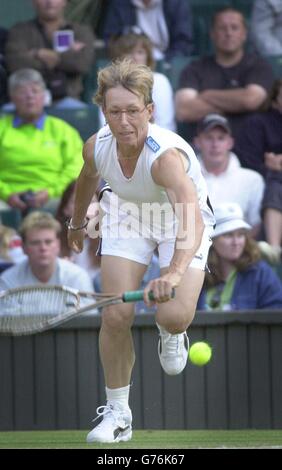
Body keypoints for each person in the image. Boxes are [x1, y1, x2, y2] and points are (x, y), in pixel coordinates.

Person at [67, 58, 215, 444]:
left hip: (181, 222)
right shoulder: (96, 146)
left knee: (174, 314)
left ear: (149, 110)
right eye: (115, 112)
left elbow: (192, 221)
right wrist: (77, 222)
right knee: (115, 315)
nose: (124, 121)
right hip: (127, 216)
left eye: (133, 111)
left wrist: (173, 274)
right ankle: (119, 415)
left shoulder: (164, 158)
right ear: (104, 112)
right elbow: (86, 180)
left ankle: (171, 331)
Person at [175, 7, 274, 141]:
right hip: (205, 150)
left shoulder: (259, 66)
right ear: (212, 34)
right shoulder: (195, 68)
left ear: (244, 33)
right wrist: (236, 103)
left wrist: (207, 95)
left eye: (234, 28)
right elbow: (184, 110)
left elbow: (250, 100)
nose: (228, 33)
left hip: (251, 146)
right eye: (222, 28)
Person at [0, 68, 83, 217]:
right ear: (12, 98)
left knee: (76, 205)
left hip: (54, 197)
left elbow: (77, 166)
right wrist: (6, 193)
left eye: (35, 91)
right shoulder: (2, 128)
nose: (30, 97)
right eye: (22, 92)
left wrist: (52, 191)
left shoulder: (62, 130)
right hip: (5, 197)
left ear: (44, 96)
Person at [5, 0, 95, 108]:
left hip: (68, 99)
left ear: (64, 2)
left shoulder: (81, 31)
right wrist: (63, 58)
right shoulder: (19, 31)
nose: (50, 2)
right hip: (27, 101)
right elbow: (15, 64)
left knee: (83, 114)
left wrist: (37, 54)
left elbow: (81, 64)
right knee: (6, 111)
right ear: (33, 2)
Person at [197, 202, 282, 311]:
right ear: (212, 240)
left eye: (240, 234)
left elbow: (275, 315)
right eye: (228, 235)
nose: (236, 242)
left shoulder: (260, 273)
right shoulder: (199, 273)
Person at [194, 113, 265, 238]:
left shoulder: (253, 179)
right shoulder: (185, 178)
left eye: (221, 138)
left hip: (239, 252)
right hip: (196, 251)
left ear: (230, 143)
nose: (215, 144)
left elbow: (256, 225)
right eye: (209, 138)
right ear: (197, 142)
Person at [235, 79, 282, 259]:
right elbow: (249, 162)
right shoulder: (258, 123)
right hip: (269, 185)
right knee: (275, 185)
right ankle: (274, 249)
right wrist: (273, 169)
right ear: (275, 98)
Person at [0, 211, 94, 293]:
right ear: (23, 247)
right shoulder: (8, 280)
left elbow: (89, 313)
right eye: (35, 243)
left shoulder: (77, 277)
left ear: (58, 244)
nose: (43, 248)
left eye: (48, 242)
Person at [106, 28, 176, 131]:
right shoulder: (110, 84)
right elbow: (105, 126)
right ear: (119, 57)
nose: (134, 58)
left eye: (140, 52)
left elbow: (165, 125)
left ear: (148, 57)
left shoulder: (159, 81)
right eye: (129, 53)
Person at [101, 0, 194, 61]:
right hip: (130, 62)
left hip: (167, 61)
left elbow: (183, 40)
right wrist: (127, 57)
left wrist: (167, 60)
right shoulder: (120, 3)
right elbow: (112, 40)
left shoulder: (175, 3)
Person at [56, 180, 101, 291]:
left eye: (90, 202)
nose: (84, 209)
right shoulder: (52, 240)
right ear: (65, 209)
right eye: (77, 202)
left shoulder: (111, 239)